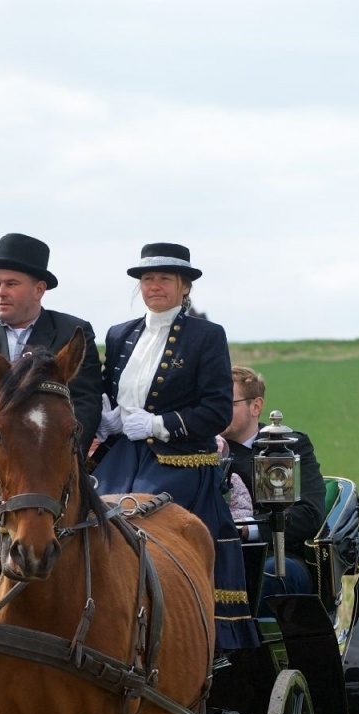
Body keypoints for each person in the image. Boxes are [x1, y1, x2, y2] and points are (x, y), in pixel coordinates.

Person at [92, 243, 258, 650]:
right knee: (84, 509)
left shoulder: (207, 336)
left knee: (137, 511)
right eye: (147, 279)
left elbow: (217, 409)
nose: (154, 286)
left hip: (179, 460)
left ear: (185, 287)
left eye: (164, 278)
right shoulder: (119, 334)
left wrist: (159, 423)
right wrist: (108, 417)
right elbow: (110, 393)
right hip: (122, 455)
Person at [0, 232, 103, 624]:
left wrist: (69, 451)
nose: (0, 292)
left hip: (54, 465)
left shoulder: (73, 333)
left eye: (11, 284)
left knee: (100, 520)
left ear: (39, 289)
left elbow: (88, 398)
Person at [220, 366, 326, 602]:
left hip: (279, 554)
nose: (217, 411)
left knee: (263, 576)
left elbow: (309, 515)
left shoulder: (289, 447)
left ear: (256, 406)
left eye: (227, 403)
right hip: (214, 553)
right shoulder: (203, 450)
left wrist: (248, 529)